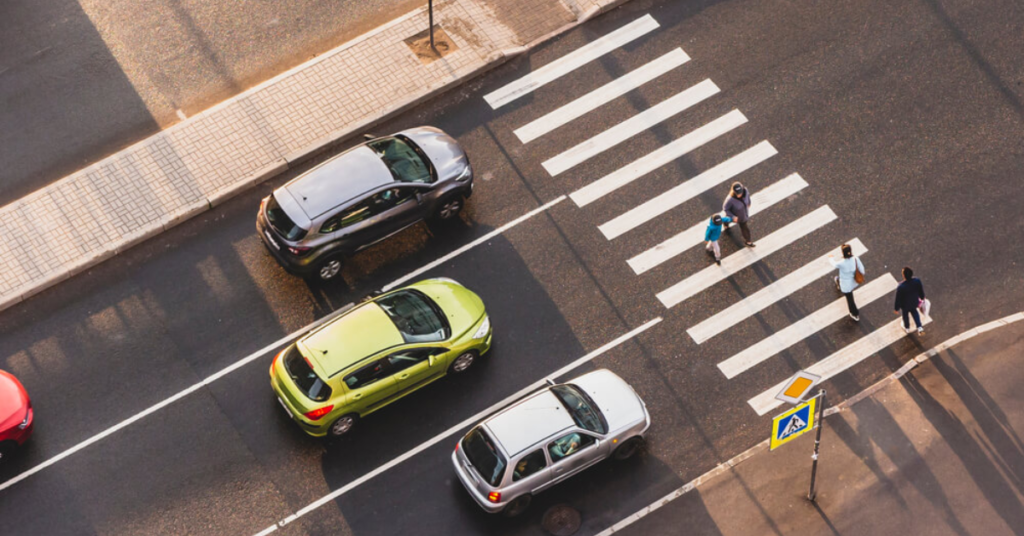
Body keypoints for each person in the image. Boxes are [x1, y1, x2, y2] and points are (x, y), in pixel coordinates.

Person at [829, 244, 865, 321]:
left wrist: (831, 258)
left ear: (843, 253)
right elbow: (862, 270)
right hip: (853, 281)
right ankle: (838, 282)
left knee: (850, 299)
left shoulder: (841, 263)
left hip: (846, 285)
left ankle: (855, 313)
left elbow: (834, 264)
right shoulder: (855, 259)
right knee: (841, 282)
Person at [894, 266, 926, 335]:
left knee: (905, 316)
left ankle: (907, 328)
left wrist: (896, 308)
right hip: (914, 302)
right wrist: (922, 297)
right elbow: (920, 290)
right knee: (915, 313)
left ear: (903, 275)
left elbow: (898, 298)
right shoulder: (917, 281)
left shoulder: (901, 286)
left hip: (905, 305)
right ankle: (919, 327)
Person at [723, 182, 755, 247]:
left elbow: (748, 196)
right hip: (734, 215)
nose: (739, 195)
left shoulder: (745, 191)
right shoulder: (730, 199)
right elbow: (725, 208)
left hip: (743, 216)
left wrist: (749, 202)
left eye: (740, 193)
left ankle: (748, 241)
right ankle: (725, 225)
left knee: (745, 228)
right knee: (727, 220)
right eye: (737, 193)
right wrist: (733, 216)